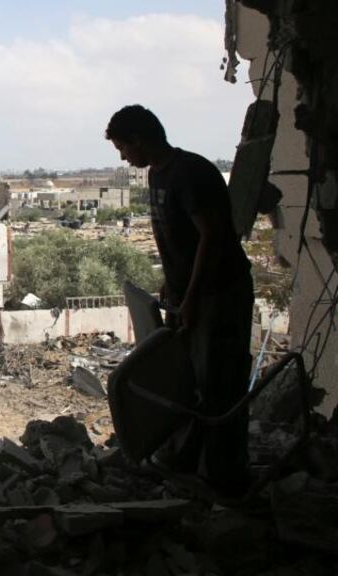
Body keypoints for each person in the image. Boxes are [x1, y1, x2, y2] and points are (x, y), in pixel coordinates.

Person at [106, 105, 254, 496]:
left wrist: (190, 296)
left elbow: (213, 238)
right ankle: (191, 459)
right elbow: (178, 238)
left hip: (218, 294)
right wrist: (171, 284)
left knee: (220, 381)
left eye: (123, 147)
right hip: (189, 294)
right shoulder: (159, 173)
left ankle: (223, 475)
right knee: (191, 382)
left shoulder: (191, 173)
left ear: (139, 138)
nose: (123, 157)